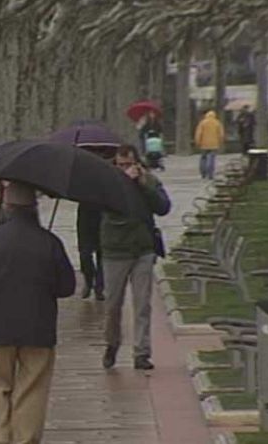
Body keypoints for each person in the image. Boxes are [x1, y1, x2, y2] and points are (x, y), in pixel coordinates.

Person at [0, 181, 76, 444]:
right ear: (34, 207)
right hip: (38, 328)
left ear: (7, 205)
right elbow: (66, 287)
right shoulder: (49, 242)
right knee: (32, 388)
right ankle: (26, 439)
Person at [101, 144, 171, 371]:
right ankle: (111, 343)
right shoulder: (107, 183)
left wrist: (142, 185)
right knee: (113, 304)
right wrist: (122, 183)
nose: (125, 169)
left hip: (142, 249)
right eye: (120, 165)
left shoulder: (147, 180)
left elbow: (163, 207)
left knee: (142, 304)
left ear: (137, 163)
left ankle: (142, 352)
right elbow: (99, 207)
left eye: (128, 164)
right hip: (115, 250)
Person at [77, 202, 104, 300]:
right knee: (84, 254)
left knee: (103, 255)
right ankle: (88, 280)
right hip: (85, 217)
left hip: (103, 215)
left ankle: (100, 287)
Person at [194, 110, 225, 180]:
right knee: (211, 159)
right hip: (214, 144)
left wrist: (197, 142)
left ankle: (203, 173)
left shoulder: (202, 123)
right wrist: (221, 142)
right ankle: (210, 173)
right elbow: (221, 134)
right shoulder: (217, 123)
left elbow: (198, 134)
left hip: (204, 144)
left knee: (203, 158)